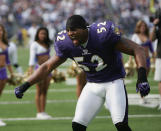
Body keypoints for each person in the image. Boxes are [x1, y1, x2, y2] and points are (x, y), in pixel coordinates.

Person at [15, 15, 150, 131]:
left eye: (73, 29)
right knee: (78, 125)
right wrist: (25, 85)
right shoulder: (66, 44)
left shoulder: (102, 35)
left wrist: (142, 77)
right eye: (68, 30)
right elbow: (47, 67)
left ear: (84, 29)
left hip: (113, 83)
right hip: (92, 85)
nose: (70, 33)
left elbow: (137, 49)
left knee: (121, 125)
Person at [28, 27, 52, 119]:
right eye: (41, 33)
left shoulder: (47, 44)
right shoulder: (34, 44)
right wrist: (31, 70)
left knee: (45, 91)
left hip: (48, 70)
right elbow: (31, 58)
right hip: (39, 69)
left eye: (45, 34)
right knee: (39, 90)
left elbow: (50, 57)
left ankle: (43, 112)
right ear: (37, 34)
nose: (43, 35)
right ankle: (39, 112)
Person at [130, 20, 154, 104]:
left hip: (147, 60)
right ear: (138, 27)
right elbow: (130, 48)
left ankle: (143, 96)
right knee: (141, 79)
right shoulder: (135, 36)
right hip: (139, 61)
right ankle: (141, 97)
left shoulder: (147, 36)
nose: (143, 27)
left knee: (145, 79)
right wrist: (130, 60)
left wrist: (153, 58)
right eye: (141, 26)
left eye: (144, 26)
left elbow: (151, 49)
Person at [0, 24, 14, 126]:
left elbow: (8, 61)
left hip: (3, 72)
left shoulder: (5, 43)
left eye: (1, 30)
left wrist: (12, 73)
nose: (0, 32)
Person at [150, 16, 161, 110]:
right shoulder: (158, 28)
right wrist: (154, 25)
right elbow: (151, 38)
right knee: (160, 80)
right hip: (160, 57)